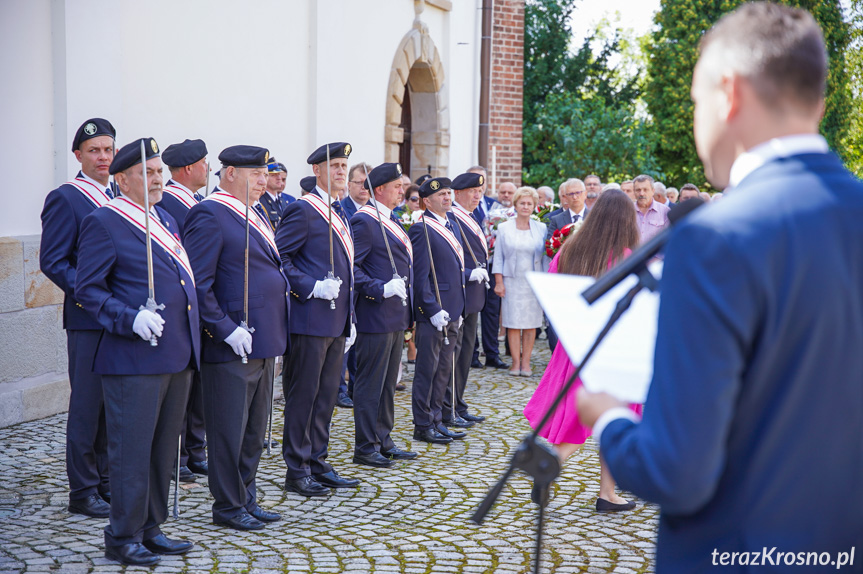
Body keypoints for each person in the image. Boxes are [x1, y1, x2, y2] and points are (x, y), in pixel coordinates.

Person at [577, 3, 863, 570]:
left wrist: (607, 418)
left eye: (694, 102)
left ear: (728, 94)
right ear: (819, 104)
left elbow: (676, 471)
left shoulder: (716, 238)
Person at [75, 138, 198, 565]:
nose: (157, 178)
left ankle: (151, 526)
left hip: (175, 355)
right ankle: (122, 534)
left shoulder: (162, 217)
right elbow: (87, 288)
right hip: (134, 357)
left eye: (159, 171)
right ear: (122, 179)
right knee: (130, 452)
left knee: (163, 449)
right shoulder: (105, 221)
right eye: (147, 173)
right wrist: (128, 318)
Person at [183, 145, 288, 531]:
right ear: (229, 174)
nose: (263, 180)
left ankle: (246, 496)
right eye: (254, 174)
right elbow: (198, 283)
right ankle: (228, 506)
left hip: (262, 339)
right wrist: (225, 328)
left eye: (265, 173)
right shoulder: (210, 214)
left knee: (253, 430)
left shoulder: (254, 214)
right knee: (228, 430)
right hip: (231, 343)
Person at [523, 189, 641, 511]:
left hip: (575, 343)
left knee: (579, 417)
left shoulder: (571, 248)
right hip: (613, 348)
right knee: (614, 420)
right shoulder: (628, 255)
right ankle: (562, 471)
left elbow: (553, 289)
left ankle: (606, 493)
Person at [40, 118, 115, 519]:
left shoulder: (121, 193)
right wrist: (93, 292)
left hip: (120, 319)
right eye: (93, 151)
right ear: (78, 156)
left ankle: (105, 481)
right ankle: (83, 490)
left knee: (111, 405)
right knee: (87, 406)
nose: (102, 157)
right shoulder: (67, 198)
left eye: (107, 149)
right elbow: (52, 261)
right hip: (88, 319)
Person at [276, 142, 359, 497]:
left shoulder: (338, 210)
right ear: (317, 171)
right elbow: (279, 257)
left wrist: (350, 316)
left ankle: (318, 461)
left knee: (325, 396)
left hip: (336, 319)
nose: (341, 171)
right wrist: (310, 286)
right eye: (334, 166)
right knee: (304, 396)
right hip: (309, 319)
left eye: (344, 165)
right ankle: (297, 468)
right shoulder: (304, 210)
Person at [350, 162, 417, 467]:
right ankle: (365, 446)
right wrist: (379, 287)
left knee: (388, 382)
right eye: (397, 186)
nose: (402, 191)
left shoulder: (389, 218)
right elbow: (352, 268)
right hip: (375, 314)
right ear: (380, 189)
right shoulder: (365, 221)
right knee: (370, 384)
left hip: (394, 314)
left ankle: (383, 439)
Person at [156, 138, 210, 483]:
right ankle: (177, 454)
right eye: (204, 163)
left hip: (201, 302)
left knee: (199, 384)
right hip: (186, 302)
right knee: (183, 387)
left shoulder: (197, 201)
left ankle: (194, 449)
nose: (209, 168)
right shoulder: (172, 202)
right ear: (189, 168)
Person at [409, 177, 467, 444]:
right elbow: (420, 275)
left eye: (448, 193)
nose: (447, 198)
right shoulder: (422, 228)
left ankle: (436, 419)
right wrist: (430, 307)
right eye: (441, 194)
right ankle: (422, 424)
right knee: (427, 369)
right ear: (427, 201)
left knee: (444, 368)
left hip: (453, 308)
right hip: (434, 311)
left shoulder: (451, 224)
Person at [443, 172, 490, 427]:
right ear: (458, 193)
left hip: (473, 296)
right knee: (455, 355)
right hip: (460, 294)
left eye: (479, 191)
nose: (477, 195)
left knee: (465, 354)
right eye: (472, 191)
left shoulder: (471, 218)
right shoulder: (453, 219)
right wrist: (471, 273)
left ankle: (458, 403)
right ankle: (449, 406)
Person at [492, 187, 546, 376]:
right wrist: (499, 282)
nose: (525, 206)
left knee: (531, 323)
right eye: (522, 203)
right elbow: (498, 257)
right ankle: (515, 363)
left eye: (529, 203)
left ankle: (526, 363)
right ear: (515, 205)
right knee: (512, 323)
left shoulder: (541, 227)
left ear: (534, 206)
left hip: (533, 281)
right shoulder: (504, 227)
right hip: (511, 281)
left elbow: (545, 257)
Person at [633, 174, 669, 242]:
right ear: (634, 192)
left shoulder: (665, 211)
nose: (641, 193)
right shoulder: (627, 211)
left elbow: (669, 239)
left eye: (645, 190)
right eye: (638, 190)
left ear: (653, 191)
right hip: (634, 253)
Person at [259, 158, 292, 229]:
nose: (279, 178)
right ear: (265, 177)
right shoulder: (260, 200)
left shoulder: (283, 201)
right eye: (273, 175)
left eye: (279, 174)